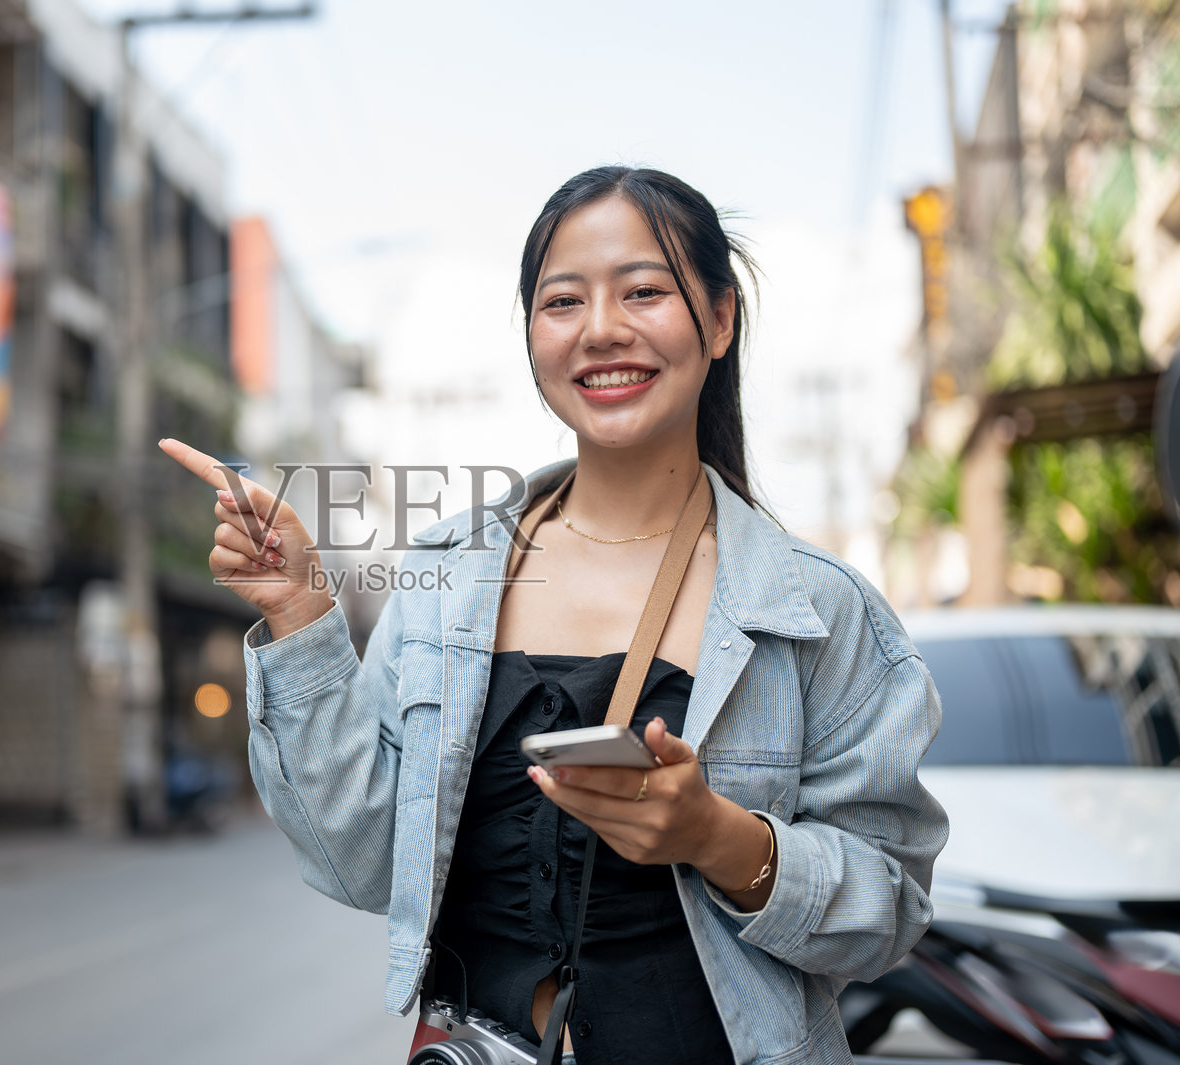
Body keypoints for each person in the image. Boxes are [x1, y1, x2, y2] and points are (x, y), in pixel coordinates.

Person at [159, 165, 948, 1065]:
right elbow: (361, 860)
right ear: (532, 333)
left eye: (645, 291)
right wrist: (301, 613)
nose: (602, 329)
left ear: (721, 319)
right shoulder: (445, 580)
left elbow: (891, 911)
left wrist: (719, 838)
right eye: (563, 301)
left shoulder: (818, 612)